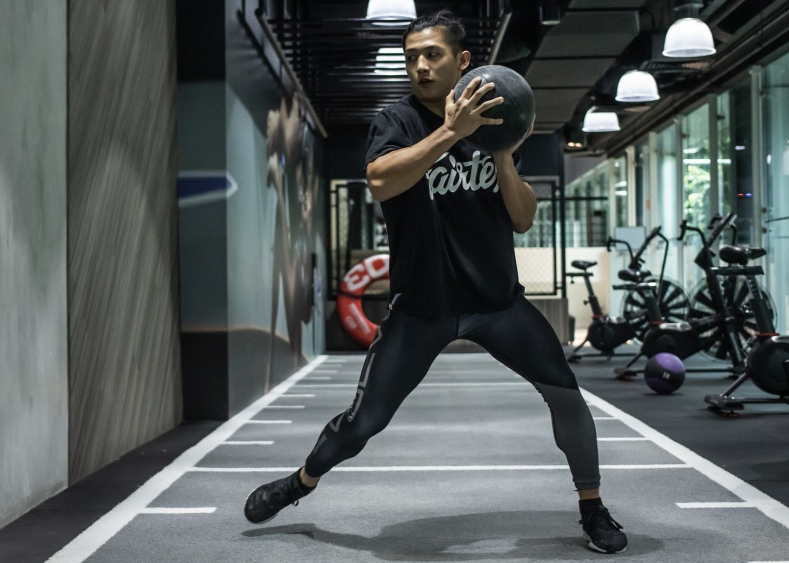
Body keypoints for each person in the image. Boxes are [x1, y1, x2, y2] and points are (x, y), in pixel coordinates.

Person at [243, 9, 628, 555]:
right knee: (363, 422)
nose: (420, 66)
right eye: (412, 58)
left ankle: (592, 507)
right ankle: (300, 483)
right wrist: (451, 133)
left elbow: (522, 219)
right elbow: (381, 181)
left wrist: (503, 155)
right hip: (422, 306)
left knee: (565, 394)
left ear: (462, 61)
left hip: (496, 303)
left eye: (433, 54)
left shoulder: (496, 120)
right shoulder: (395, 122)